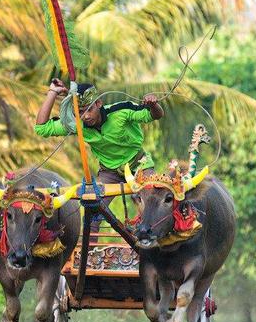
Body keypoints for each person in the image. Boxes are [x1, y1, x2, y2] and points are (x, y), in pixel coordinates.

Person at [34, 78, 164, 230]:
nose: (86, 116)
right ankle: (88, 252)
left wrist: (154, 105)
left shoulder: (121, 111)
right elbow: (41, 128)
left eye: (89, 109)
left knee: (156, 206)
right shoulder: (76, 124)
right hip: (109, 172)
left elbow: (155, 115)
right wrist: (52, 92)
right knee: (92, 215)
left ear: (98, 103)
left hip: (139, 166)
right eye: (81, 112)